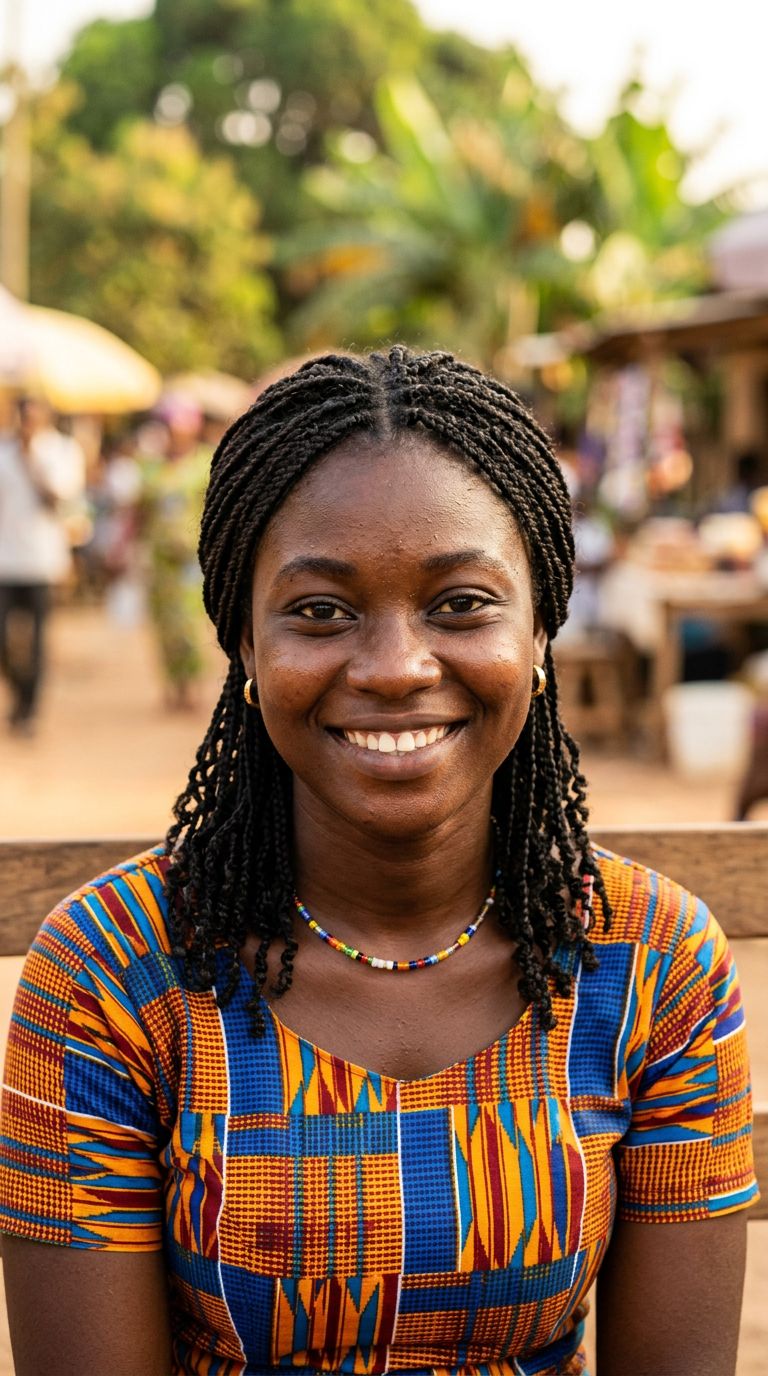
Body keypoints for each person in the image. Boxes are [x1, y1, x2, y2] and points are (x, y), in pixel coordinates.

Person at [0, 348, 758, 1376]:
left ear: (541, 630)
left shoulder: (653, 963)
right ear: (246, 645)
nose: (397, 664)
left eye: (461, 603)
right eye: (321, 610)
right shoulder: (114, 973)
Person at [0, 396, 85, 734]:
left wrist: (31, 460)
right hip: (5, 562)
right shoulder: (2, 452)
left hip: (42, 561)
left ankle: (30, 708)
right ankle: (19, 692)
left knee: (36, 640)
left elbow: (61, 500)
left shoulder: (61, 451)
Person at [140, 394, 211, 709]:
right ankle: (172, 685)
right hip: (159, 562)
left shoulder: (205, 463)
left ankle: (192, 685)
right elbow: (140, 512)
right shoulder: (151, 468)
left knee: (189, 624)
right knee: (164, 625)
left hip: (191, 561)